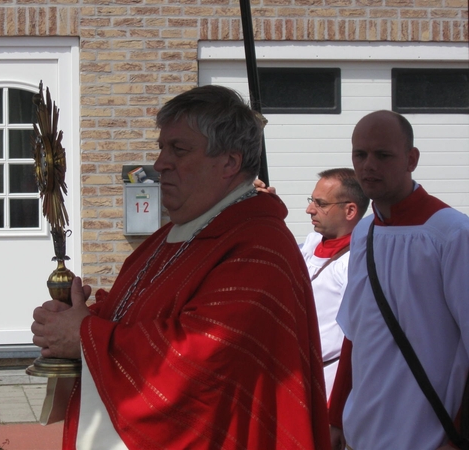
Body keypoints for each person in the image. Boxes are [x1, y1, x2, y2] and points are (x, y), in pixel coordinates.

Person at [31, 85, 331, 450]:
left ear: (229, 163)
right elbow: (145, 314)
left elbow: (202, 360)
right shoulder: (172, 236)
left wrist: (84, 336)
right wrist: (80, 317)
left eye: (179, 149)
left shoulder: (259, 249)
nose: (159, 164)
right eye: (161, 148)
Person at [329, 110, 469, 450]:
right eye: (360, 155)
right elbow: (356, 333)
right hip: (364, 432)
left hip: (427, 435)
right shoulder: (364, 232)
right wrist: (335, 418)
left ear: (411, 159)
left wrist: (459, 435)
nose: (368, 166)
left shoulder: (451, 234)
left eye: (383, 155)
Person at [299, 168, 368, 398]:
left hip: (330, 381)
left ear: (350, 210)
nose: (310, 209)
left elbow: (359, 337)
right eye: (312, 200)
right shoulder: (312, 242)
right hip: (300, 373)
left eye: (320, 203)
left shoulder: (356, 263)